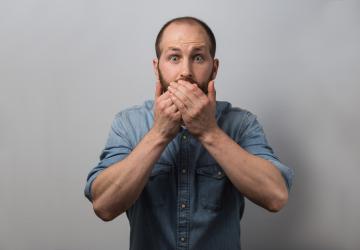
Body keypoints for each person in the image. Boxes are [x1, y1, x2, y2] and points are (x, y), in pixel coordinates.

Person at [84, 16, 294, 250]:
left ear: (213, 69)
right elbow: (103, 206)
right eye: (174, 57)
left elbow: (276, 197)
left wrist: (209, 132)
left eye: (198, 57)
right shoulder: (128, 123)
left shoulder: (241, 123)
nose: (186, 71)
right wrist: (159, 134)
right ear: (157, 68)